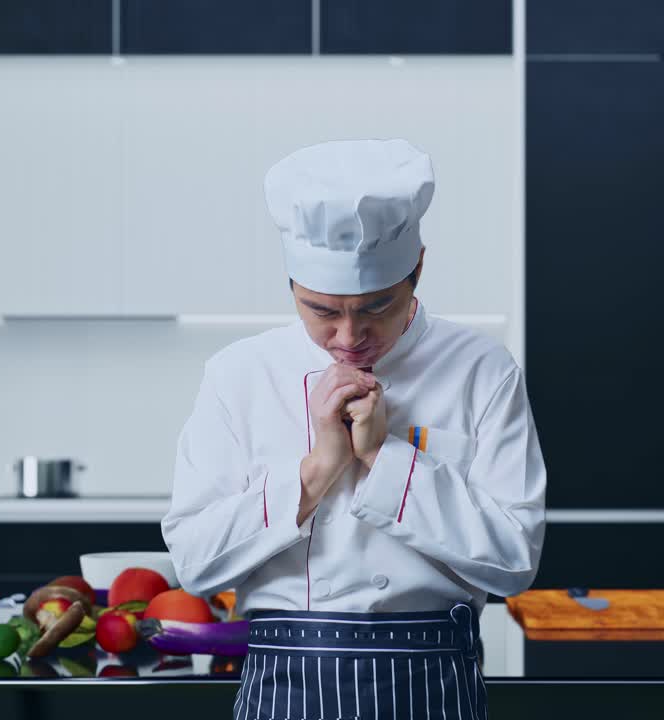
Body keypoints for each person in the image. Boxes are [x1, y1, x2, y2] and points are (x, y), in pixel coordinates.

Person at [163, 138, 546, 720]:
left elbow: (515, 562)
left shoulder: (481, 370)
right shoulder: (239, 375)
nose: (347, 337)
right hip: (281, 686)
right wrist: (317, 472)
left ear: (417, 269)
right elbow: (194, 563)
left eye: (374, 308)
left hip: (432, 685)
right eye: (322, 310)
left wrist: (384, 459)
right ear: (291, 283)